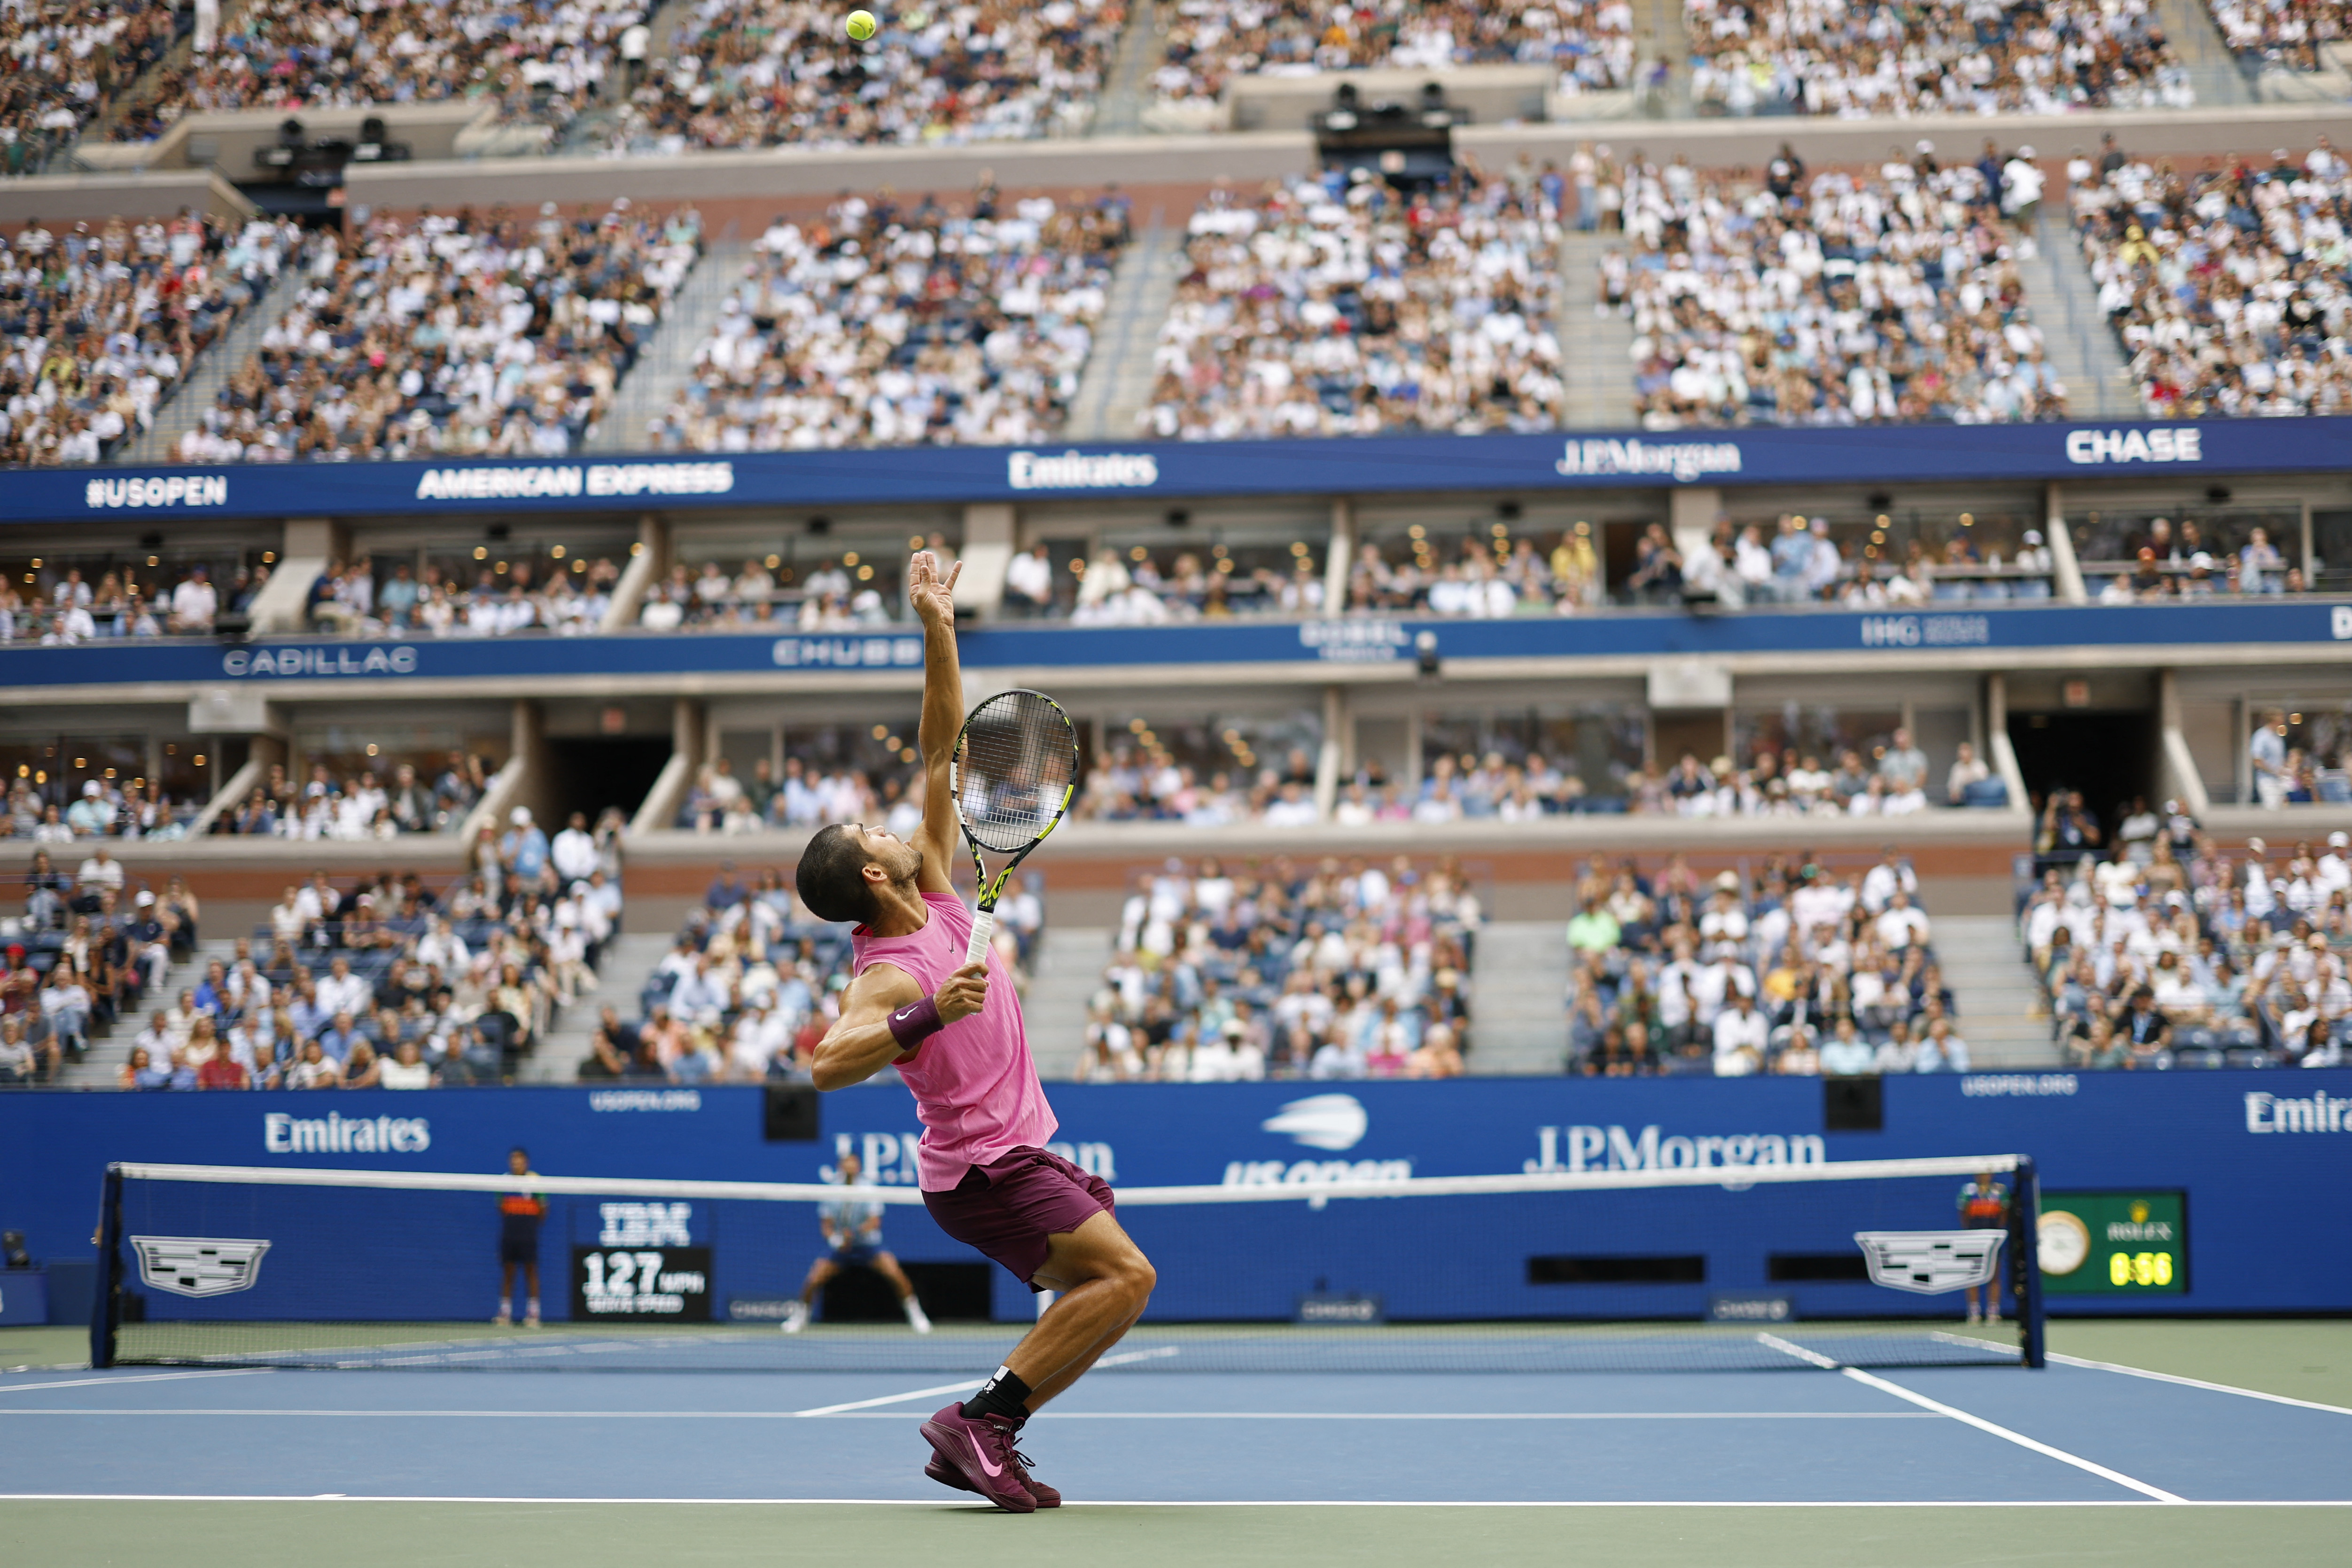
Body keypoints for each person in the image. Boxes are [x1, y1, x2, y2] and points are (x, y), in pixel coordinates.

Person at [798, 550, 1155, 1513]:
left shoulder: (944, 890)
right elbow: (828, 1068)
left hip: (1009, 1154)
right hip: (980, 1170)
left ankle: (987, 1425)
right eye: (875, 835)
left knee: (1110, 1287)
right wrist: (927, 1014)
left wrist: (938, 624)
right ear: (873, 876)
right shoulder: (886, 972)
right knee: (1126, 1276)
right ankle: (981, 1422)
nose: (891, 828)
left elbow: (936, 748)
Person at [780, 1152, 934, 1335]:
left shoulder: (869, 1190)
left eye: (853, 1164)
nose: (850, 1167)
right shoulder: (831, 1191)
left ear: (859, 1167)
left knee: (895, 1275)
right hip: (840, 1248)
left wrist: (852, 1234)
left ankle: (916, 1316)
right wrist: (834, 1239)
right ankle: (800, 1317)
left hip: (869, 1246)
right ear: (841, 1167)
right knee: (814, 1280)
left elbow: (874, 1222)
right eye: (847, 1164)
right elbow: (826, 1224)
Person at [495, 1146, 545, 1328]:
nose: (516, 1163)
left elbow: (543, 1208)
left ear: (526, 1162)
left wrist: (529, 1226)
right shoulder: (504, 1181)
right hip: (510, 1235)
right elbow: (500, 1206)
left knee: (531, 1272)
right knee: (508, 1273)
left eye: (520, 1159)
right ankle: (505, 1313)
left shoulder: (534, 1180)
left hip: (528, 1236)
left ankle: (533, 1314)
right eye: (513, 1159)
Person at [1957, 1170, 2012, 1326]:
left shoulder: (2000, 1191)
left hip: (1994, 1240)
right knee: (1972, 1276)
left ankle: (1993, 1313)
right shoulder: (1968, 1191)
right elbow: (1963, 1214)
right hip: (1973, 1240)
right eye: (1980, 1173)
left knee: (1994, 1275)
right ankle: (1974, 1312)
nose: (1983, 1176)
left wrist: (1996, 1233)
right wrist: (1970, 1233)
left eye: (1987, 1173)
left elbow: (2004, 1213)